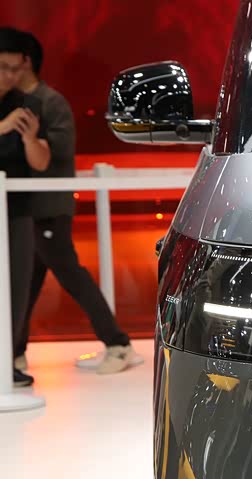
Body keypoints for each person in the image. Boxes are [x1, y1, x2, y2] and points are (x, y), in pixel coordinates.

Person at [14, 31, 139, 375]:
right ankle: (14, 352)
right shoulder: (19, 102)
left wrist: (30, 141)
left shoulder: (50, 102)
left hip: (49, 207)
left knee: (70, 275)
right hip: (28, 209)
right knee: (28, 283)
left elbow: (60, 152)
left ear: (24, 62)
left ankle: (118, 344)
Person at [0, 27, 50, 387]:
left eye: (16, 68)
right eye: (3, 67)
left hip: (17, 211)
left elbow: (41, 162)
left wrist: (31, 139)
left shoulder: (26, 103)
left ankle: (7, 360)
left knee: (17, 288)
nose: (10, 76)